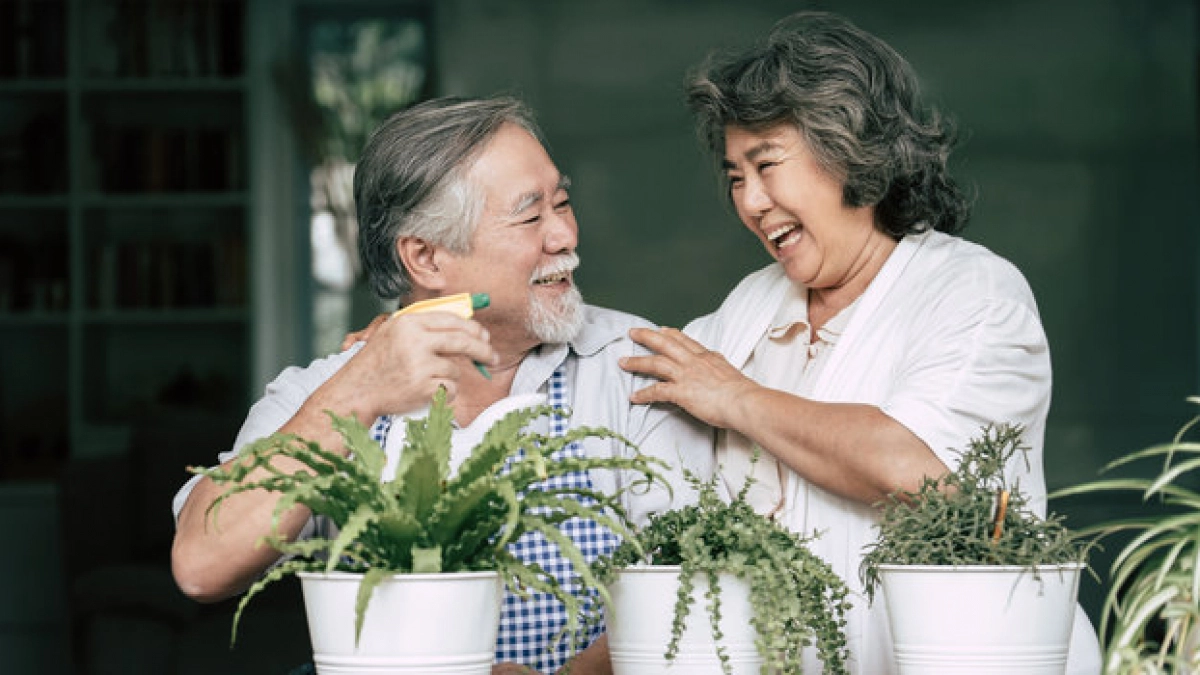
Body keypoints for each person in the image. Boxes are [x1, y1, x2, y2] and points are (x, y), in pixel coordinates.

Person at [615, 10, 1101, 675]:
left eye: (767, 165)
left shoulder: (972, 292)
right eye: (735, 177)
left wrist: (738, 397)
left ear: (850, 149)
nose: (751, 201)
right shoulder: (746, 312)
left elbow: (919, 471)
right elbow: (671, 550)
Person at [170, 95, 712, 675]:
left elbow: (695, 585)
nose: (565, 236)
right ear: (426, 258)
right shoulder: (325, 392)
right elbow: (202, 566)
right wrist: (357, 394)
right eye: (531, 216)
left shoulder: (634, 362)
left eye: (563, 201)